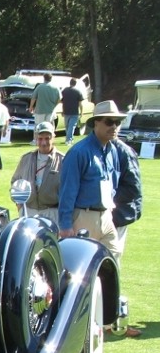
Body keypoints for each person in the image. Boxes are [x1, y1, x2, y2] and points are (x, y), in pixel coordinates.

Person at [58, 101, 127, 256]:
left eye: (117, 122)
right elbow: (67, 191)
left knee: (113, 259)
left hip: (106, 216)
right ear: (96, 123)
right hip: (83, 217)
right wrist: (65, 225)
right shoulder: (78, 152)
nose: (114, 126)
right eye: (109, 122)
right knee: (80, 265)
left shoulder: (113, 151)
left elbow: (113, 184)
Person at [112, 138, 143, 336]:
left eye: (115, 122)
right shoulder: (93, 148)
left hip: (116, 218)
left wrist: (105, 193)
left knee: (112, 265)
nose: (112, 126)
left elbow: (133, 188)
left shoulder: (123, 152)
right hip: (98, 216)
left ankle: (115, 320)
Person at [11, 122, 64, 223]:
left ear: (53, 137)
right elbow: (15, 182)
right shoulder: (26, 159)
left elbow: (69, 190)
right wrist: (19, 204)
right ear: (36, 138)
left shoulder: (63, 160)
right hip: (28, 212)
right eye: (40, 139)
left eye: (47, 138)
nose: (43, 143)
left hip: (52, 213)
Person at [60, 78, 84, 145]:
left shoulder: (64, 91)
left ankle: (69, 139)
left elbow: (61, 101)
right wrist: (81, 112)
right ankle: (69, 140)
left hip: (66, 111)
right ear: (75, 84)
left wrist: (62, 110)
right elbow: (80, 104)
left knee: (67, 126)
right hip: (74, 112)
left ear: (70, 83)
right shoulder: (78, 91)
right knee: (71, 126)